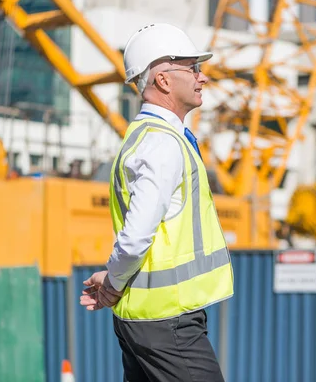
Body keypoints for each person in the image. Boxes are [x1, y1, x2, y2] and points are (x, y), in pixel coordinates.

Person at [79, 23, 234, 382]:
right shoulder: (162, 145)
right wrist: (115, 285)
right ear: (163, 81)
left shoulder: (143, 138)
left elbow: (148, 236)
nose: (202, 77)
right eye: (192, 68)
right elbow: (135, 238)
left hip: (150, 320)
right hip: (167, 324)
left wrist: (114, 279)